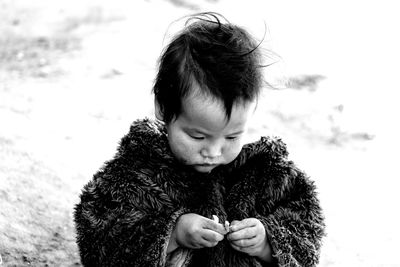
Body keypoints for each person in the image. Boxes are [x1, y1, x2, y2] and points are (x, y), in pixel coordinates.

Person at [74, 12, 325, 267]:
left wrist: (267, 242)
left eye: (232, 135)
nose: (214, 151)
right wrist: (173, 233)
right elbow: (98, 237)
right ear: (164, 108)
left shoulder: (264, 174)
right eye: (197, 135)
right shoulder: (138, 170)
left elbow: (308, 226)